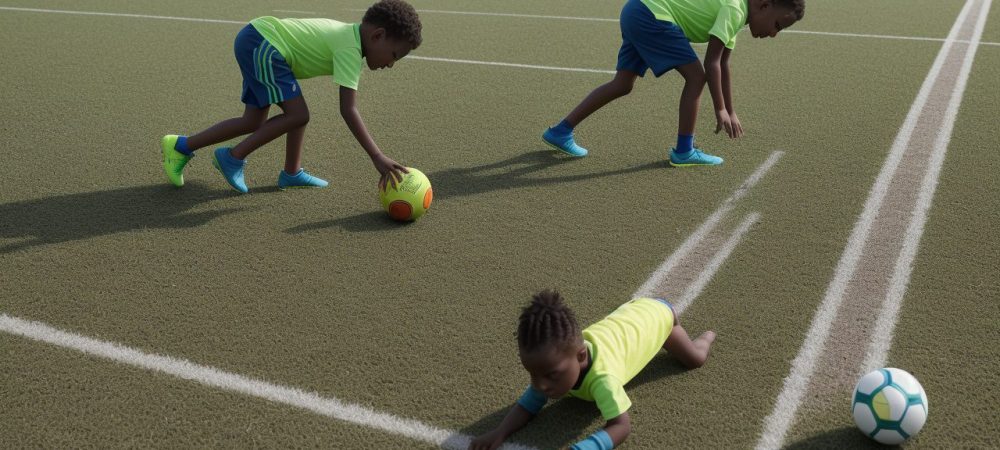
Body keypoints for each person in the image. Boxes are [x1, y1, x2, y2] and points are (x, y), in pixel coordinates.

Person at [160, 0, 421, 193]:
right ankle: (232, 158)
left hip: (259, 41)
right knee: (298, 114)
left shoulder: (351, 38)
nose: (391, 64)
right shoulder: (350, 49)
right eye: (395, 55)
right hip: (263, 44)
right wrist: (376, 156)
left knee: (255, 120)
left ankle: (180, 146)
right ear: (378, 36)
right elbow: (348, 109)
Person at [541, 0, 804, 167]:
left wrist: (731, 110)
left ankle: (560, 131)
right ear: (765, 5)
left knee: (623, 83)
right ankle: (684, 151)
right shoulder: (734, 9)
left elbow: (723, 65)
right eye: (778, 25)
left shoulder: (736, 15)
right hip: (651, 15)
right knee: (696, 76)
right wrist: (720, 110)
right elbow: (711, 64)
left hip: (637, 9)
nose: (773, 33)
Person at [471, 290, 716, 450]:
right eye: (532, 374)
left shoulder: (603, 378)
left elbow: (621, 426)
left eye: (550, 375)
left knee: (694, 360)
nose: (540, 385)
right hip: (631, 309)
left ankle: (704, 339)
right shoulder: (553, 367)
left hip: (659, 316)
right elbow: (529, 404)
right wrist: (499, 432)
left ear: (581, 356)